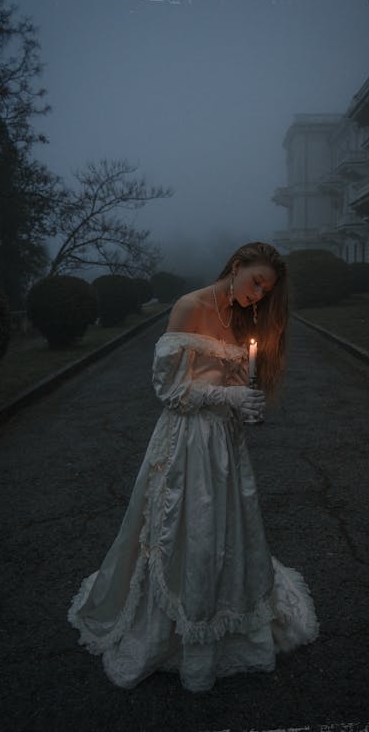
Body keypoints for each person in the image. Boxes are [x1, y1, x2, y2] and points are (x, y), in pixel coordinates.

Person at [68, 241, 319, 692]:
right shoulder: (190, 306)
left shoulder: (246, 316)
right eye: (256, 281)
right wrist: (226, 396)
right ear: (236, 266)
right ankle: (184, 634)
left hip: (225, 443)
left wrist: (246, 403)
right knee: (186, 530)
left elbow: (236, 380)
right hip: (185, 443)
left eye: (267, 289)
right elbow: (168, 390)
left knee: (226, 532)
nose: (258, 294)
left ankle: (228, 615)